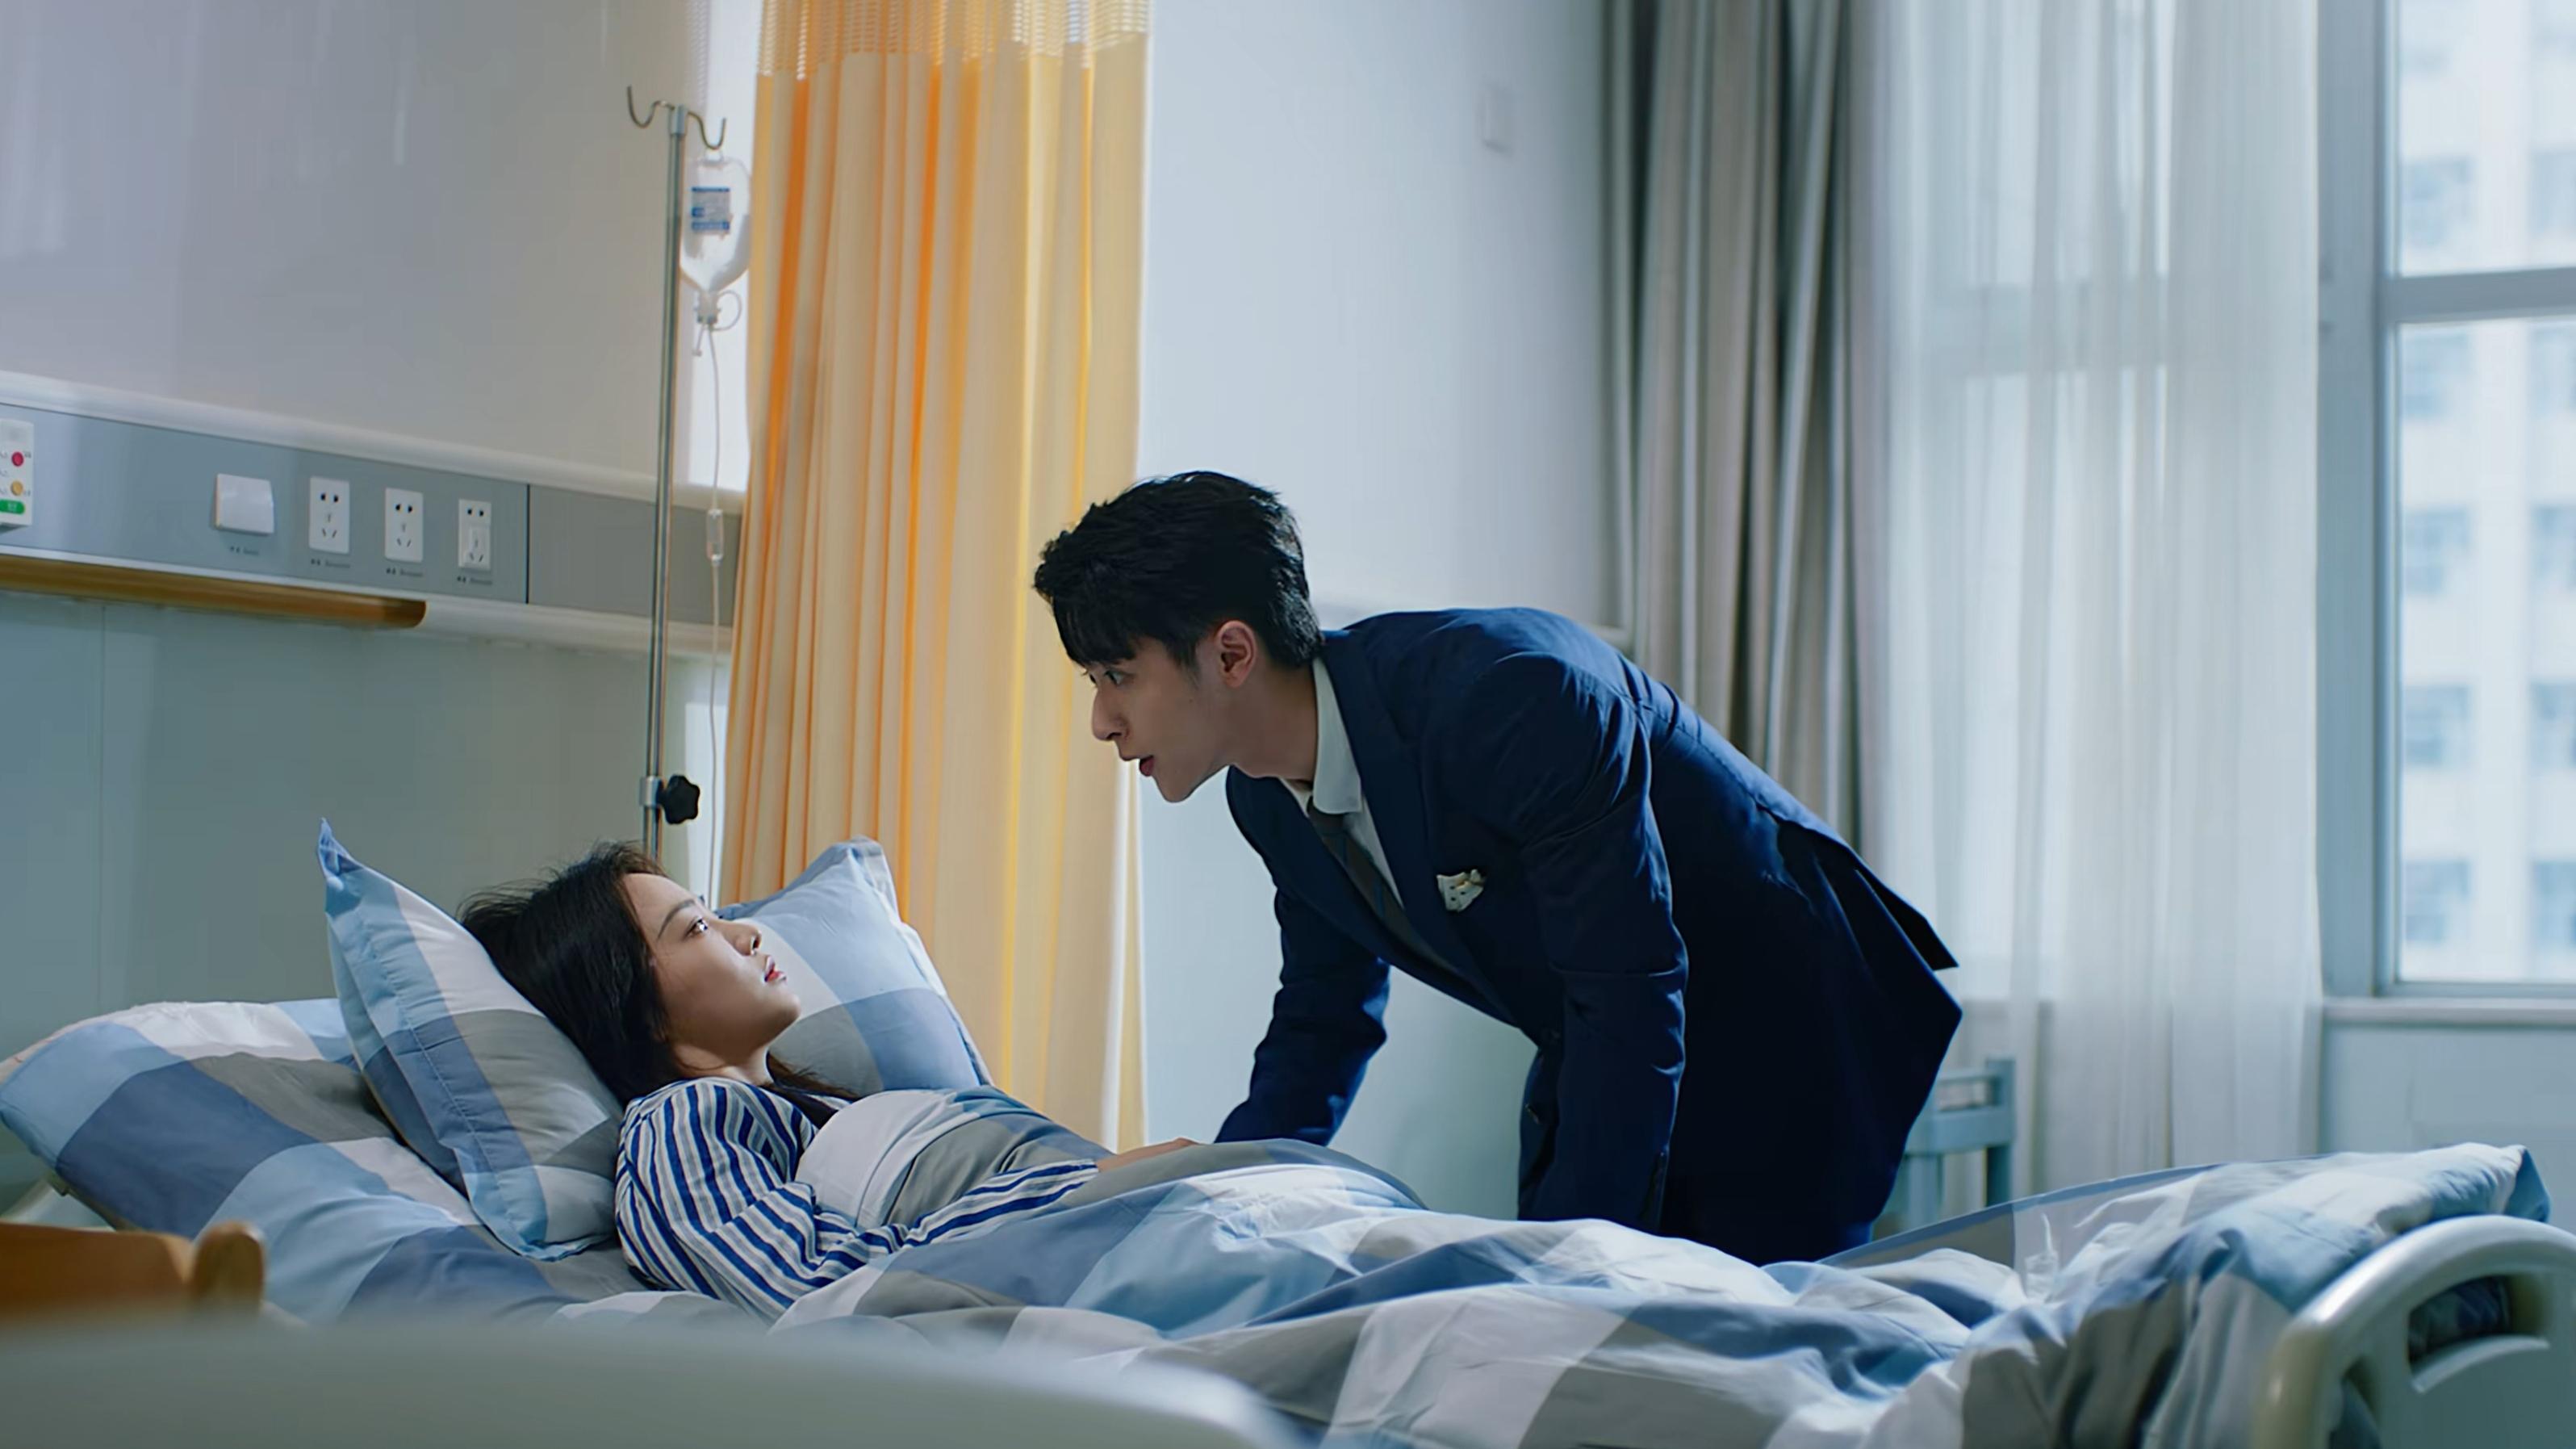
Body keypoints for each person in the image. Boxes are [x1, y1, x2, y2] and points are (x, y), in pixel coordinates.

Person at [1031, 471, 1962, 1264]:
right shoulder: (1264, 796)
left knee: (1712, 1348)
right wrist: (1215, 1193)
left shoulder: (1511, 699)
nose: (1102, 720)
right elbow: (1323, 1016)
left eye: (1118, 676)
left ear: (1231, 653)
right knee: (1577, 1335)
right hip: (1611, 1034)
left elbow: (1629, 989)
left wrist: (1573, 1266)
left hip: (1791, 1018)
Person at [461, 844, 1189, 1319]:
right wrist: (1082, 1187)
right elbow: (812, 1285)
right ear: (637, 1009)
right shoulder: (677, 1123)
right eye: (697, 928)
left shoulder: (821, 1113)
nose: (746, 932)